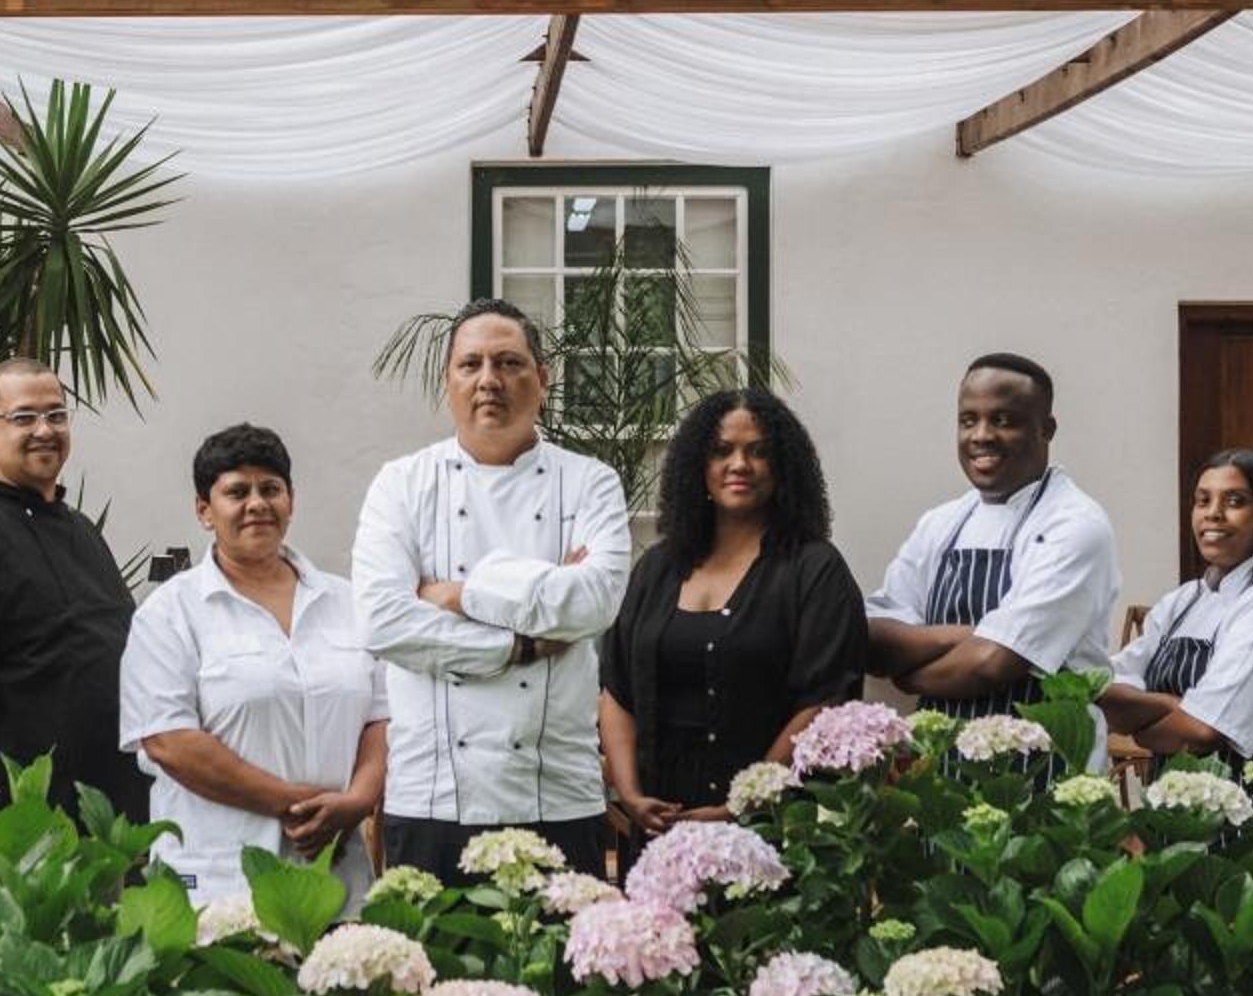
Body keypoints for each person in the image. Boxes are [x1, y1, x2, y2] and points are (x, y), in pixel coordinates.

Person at [352, 298, 631, 881]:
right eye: (470, 364)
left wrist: (457, 595)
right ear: (447, 381)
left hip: (558, 795)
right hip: (432, 798)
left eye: (508, 363)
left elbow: (594, 601)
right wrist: (518, 645)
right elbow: (383, 621)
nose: (489, 380)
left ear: (543, 380)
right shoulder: (401, 484)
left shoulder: (591, 482)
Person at [119, 423, 389, 903]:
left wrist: (358, 802)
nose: (257, 503)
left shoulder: (348, 603)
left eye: (271, 489)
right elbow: (169, 741)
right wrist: (299, 806)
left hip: (336, 871)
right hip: (220, 879)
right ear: (204, 510)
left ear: (291, 501)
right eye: (237, 492)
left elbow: (382, 718)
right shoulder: (169, 614)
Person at [599, 389, 864, 831]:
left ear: (783, 466)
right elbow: (617, 690)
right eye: (721, 451)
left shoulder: (814, 569)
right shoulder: (657, 568)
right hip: (657, 826)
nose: (739, 464)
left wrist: (745, 803)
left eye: (758, 452)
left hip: (772, 826)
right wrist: (630, 795)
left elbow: (823, 700)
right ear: (697, 466)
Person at [0, 358, 150, 819]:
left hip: (112, 815)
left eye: (56, 415)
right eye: (24, 417)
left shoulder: (83, 531)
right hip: (18, 822)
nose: (44, 430)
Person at [865, 353, 1120, 733]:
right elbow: (871, 638)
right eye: (968, 420)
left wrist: (908, 676)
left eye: (1002, 420)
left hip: (1047, 759)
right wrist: (977, 636)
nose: (981, 435)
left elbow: (991, 664)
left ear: (1046, 429)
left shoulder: (1075, 524)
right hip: (939, 760)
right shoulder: (941, 523)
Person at [1101, 449, 1253, 766]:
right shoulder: (1182, 601)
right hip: (1170, 793)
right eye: (1203, 500)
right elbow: (1104, 692)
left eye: (1235, 501)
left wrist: (1142, 726)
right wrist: (1173, 707)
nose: (1214, 514)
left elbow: (1202, 731)